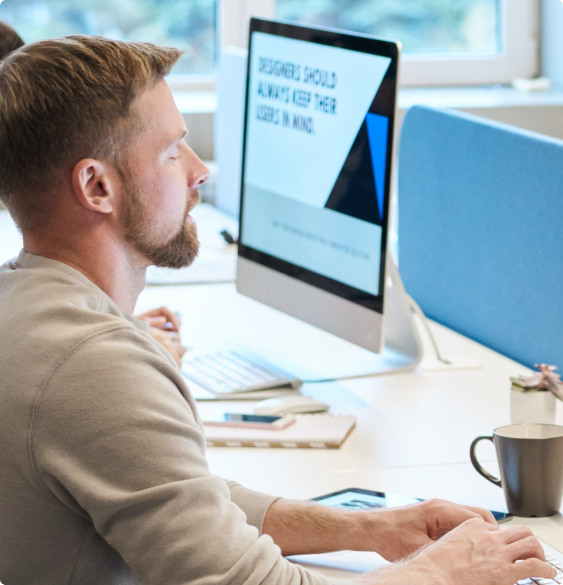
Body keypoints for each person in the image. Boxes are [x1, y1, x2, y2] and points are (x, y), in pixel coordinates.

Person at [0, 35, 555, 585]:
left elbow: (178, 498)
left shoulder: (22, 298)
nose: (199, 170)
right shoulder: (95, 366)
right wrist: (443, 572)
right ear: (97, 185)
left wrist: (367, 527)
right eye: (171, 152)